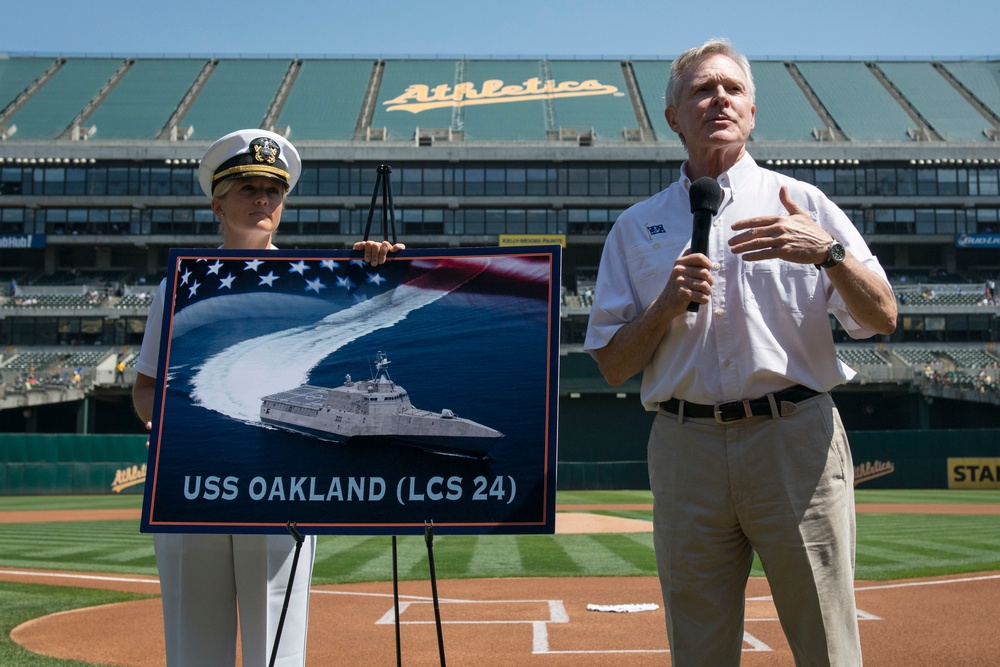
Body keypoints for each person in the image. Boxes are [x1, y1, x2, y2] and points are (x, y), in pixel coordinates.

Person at [584, 39, 897, 666]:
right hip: (686, 448)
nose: (718, 99)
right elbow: (613, 363)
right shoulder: (636, 225)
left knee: (828, 646)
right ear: (674, 117)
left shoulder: (803, 204)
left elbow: (882, 317)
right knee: (698, 652)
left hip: (795, 441)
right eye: (702, 90)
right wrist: (665, 306)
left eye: (731, 88)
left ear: (752, 112)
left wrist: (830, 255)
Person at [131, 129, 404, 667]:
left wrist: (376, 266)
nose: (261, 199)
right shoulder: (180, 284)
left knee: (275, 651)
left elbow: (375, 299)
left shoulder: (320, 281)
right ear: (217, 204)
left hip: (280, 480)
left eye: (272, 190)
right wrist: (188, 425)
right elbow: (145, 389)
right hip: (194, 481)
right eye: (247, 188)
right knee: (192, 650)